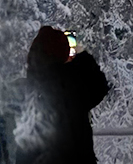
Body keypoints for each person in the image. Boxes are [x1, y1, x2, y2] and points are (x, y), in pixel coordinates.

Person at [19, 26, 110, 164]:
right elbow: (99, 86)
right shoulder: (73, 85)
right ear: (62, 54)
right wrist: (81, 54)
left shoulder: (26, 87)